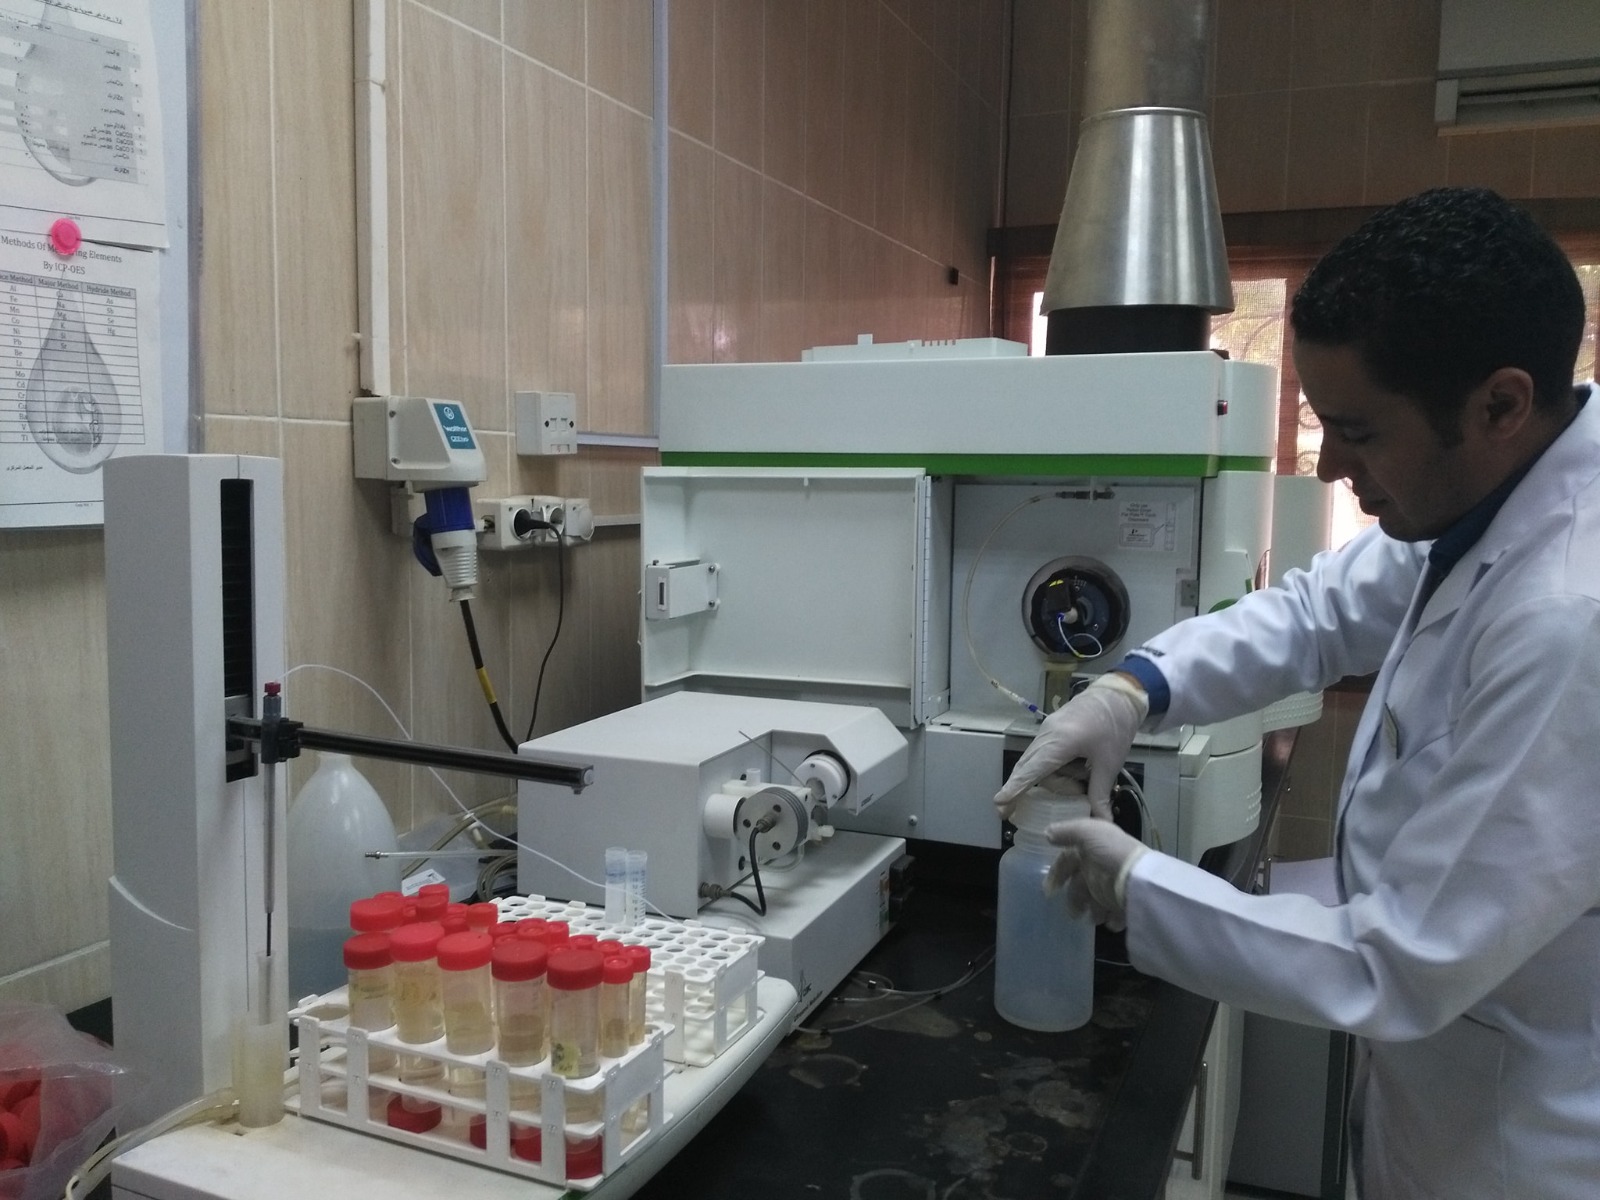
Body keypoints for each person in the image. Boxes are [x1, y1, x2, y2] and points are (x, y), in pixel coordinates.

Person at [994, 186, 1600, 1200]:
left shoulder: (1571, 618)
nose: (1328, 465)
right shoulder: (1493, 494)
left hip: (1524, 1146)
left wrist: (1138, 885)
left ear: (1499, 405)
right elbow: (1320, 614)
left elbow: (1395, 965)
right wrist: (1134, 687)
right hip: (1444, 1093)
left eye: (1357, 430)